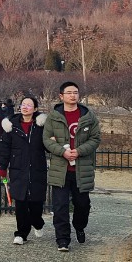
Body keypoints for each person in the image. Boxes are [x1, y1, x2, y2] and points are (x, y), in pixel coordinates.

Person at [42, 81, 101, 252]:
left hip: (81, 170)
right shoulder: (53, 117)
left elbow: (95, 139)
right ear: (61, 96)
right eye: (69, 93)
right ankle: (62, 239)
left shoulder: (88, 116)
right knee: (60, 206)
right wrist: (63, 152)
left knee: (82, 204)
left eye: (75, 92)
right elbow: (46, 140)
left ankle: (79, 226)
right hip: (60, 170)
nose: (72, 95)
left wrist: (79, 151)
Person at [0, 96, 49, 245]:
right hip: (18, 169)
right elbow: (5, 149)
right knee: (20, 203)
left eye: (29, 105)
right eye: (23, 104)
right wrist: (2, 167)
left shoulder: (41, 126)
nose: (25, 107)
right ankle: (21, 233)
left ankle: (38, 223)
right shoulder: (11, 126)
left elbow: (48, 146)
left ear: (35, 109)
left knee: (36, 204)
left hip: (37, 169)